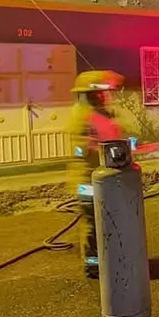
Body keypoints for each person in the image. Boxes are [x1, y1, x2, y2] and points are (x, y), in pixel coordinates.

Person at [67, 70, 124, 278]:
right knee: (92, 223)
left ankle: (108, 260)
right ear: (89, 94)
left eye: (104, 92)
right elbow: (81, 150)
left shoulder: (103, 115)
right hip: (86, 181)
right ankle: (92, 265)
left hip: (105, 178)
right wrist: (97, 147)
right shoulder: (81, 118)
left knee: (107, 221)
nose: (104, 96)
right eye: (99, 92)